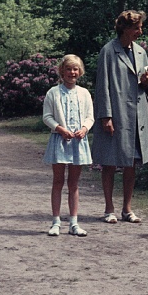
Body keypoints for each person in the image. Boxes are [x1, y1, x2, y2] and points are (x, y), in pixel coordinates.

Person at [91, 10, 148, 224]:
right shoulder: (108, 51)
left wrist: (146, 82)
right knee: (109, 162)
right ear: (125, 28)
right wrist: (105, 116)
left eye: (140, 27)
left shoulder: (140, 52)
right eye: (137, 27)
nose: (140, 31)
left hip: (136, 115)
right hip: (116, 113)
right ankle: (109, 209)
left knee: (132, 163)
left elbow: (141, 86)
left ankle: (127, 209)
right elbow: (102, 86)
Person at [42, 54, 94, 237]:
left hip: (78, 142)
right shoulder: (53, 93)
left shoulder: (84, 93)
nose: (72, 72)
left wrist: (85, 129)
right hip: (60, 140)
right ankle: (56, 221)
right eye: (69, 69)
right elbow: (47, 116)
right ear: (62, 71)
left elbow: (90, 116)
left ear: (80, 72)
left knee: (74, 183)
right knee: (58, 181)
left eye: (75, 69)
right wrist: (60, 129)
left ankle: (74, 222)